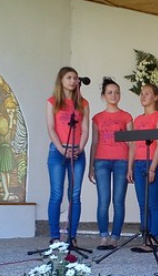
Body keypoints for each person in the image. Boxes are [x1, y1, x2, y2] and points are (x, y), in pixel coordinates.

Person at [46, 66, 90, 245]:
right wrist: (62, 149)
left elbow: (85, 129)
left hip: (77, 152)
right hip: (58, 151)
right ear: (61, 80)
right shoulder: (52, 102)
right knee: (56, 193)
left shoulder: (83, 103)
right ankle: (55, 236)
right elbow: (51, 128)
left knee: (75, 194)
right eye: (69, 78)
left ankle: (72, 236)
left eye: (75, 78)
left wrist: (80, 148)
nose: (73, 81)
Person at [88, 77, 133, 250]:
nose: (113, 95)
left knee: (118, 200)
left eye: (117, 92)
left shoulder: (126, 116)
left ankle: (115, 237)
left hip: (122, 161)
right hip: (101, 161)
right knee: (103, 200)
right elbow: (94, 142)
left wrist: (130, 166)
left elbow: (132, 144)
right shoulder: (97, 118)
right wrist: (91, 166)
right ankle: (103, 236)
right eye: (110, 92)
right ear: (103, 96)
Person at [127, 84, 158, 253]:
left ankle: (153, 239)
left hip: (152, 163)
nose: (143, 96)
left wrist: (153, 168)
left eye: (147, 93)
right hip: (138, 163)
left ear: (156, 97)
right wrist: (130, 167)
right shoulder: (137, 120)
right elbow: (133, 145)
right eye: (141, 93)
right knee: (142, 204)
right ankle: (145, 238)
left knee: (152, 204)